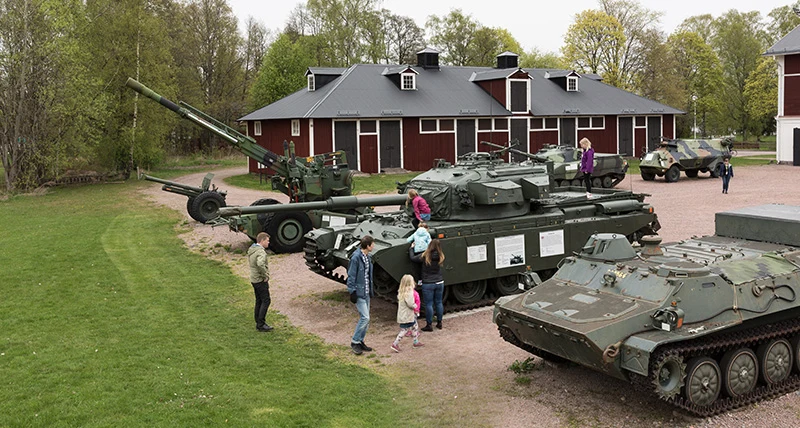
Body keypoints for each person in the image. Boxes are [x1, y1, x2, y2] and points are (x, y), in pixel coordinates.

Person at [346, 235, 375, 355]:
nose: (374, 246)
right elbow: (351, 275)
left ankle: (360, 341)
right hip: (359, 292)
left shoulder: (367, 257)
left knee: (367, 320)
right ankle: (355, 341)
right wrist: (352, 291)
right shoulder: (356, 258)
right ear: (368, 246)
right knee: (365, 318)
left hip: (366, 291)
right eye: (372, 244)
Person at [409, 238, 445, 332]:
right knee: (439, 302)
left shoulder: (425, 255)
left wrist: (411, 248)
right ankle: (439, 322)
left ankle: (429, 325)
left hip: (428, 283)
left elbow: (413, 258)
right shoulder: (441, 256)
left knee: (429, 304)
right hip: (439, 282)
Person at [391, 275, 424, 352]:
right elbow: (410, 303)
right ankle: (395, 344)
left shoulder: (402, 291)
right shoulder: (409, 292)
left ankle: (415, 341)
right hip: (408, 315)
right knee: (405, 330)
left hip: (405, 315)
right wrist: (416, 306)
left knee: (414, 326)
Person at [248, 232, 273, 332]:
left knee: (259, 300)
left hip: (254, 279)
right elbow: (260, 264)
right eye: (267, 240)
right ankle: (261, 324)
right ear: (262, 241)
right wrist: (265, 275)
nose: (268, 242)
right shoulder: (261, 252)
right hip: (260, 279)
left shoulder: (252, 250)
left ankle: (258, 320)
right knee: (266, 300)